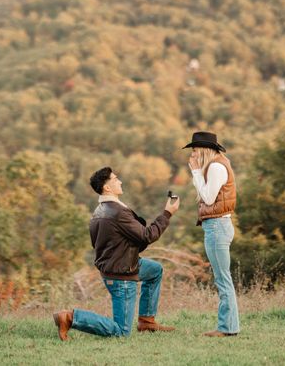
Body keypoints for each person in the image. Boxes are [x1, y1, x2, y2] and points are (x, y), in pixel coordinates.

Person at [53, 166, 180, 340]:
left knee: (155, 270)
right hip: (121, 276)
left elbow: (101, 243)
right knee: (121, 331)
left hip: (121, 266)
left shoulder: (99, 211)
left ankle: (146, 321)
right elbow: (148, 235)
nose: (119, 181)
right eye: (115, 179)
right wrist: (167, 214)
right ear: (107, 187)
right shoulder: (118, 212)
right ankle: (70, 317)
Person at [183, 131, 240, 337]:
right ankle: (229, 326)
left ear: (204, 150)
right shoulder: (216, 165)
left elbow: (208, 198)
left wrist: (196, 172)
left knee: (223, 279)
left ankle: (227, 328)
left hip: (217, 227)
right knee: (223, 277)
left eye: (195, 151)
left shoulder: (215, 167)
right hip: (217, 225)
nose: (192, 156)